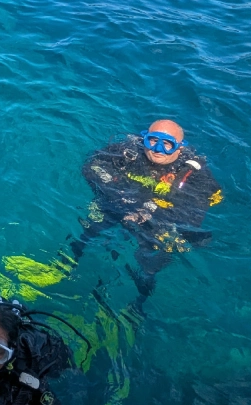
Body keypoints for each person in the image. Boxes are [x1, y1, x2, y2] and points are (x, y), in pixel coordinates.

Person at [70, 119, 221, 307]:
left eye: (167, 144)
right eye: (153, 141)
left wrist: (150, 212)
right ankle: (63, 265)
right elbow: (91, 166)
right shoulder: (129, 151)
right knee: (88, 229)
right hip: (120, 205)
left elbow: (193, 214)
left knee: (150, 262)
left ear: (179, 149)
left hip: (156, 221)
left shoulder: (195, 174)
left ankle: (137, 305)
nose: (158, 149)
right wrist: (122, 199)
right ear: (145, 139)